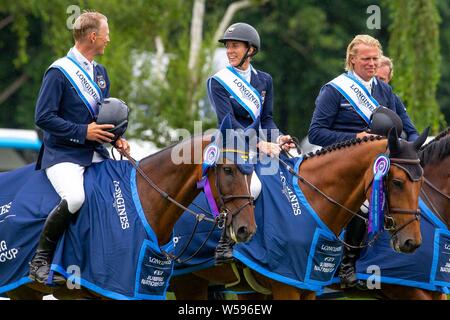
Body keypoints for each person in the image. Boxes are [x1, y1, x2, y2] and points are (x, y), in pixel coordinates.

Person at [307, 35, 419, 288]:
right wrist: (355, 138)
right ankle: (347, 264)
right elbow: (316, 133)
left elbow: (409, 129)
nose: (371, 63)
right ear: (352, 60)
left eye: (375, 59)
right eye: (366, 59)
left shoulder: (384, 90)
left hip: (379, 166)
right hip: (341, 167)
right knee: (364, 205)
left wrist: (412, 149)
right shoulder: (334, 90)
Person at [29, 11, 130, 284]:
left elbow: (102, 118)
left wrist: (115, 139)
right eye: (106, 34)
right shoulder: (58, 71)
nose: (109, 39)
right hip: (63, 155)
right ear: (93, 36)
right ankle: (41, 259)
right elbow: (43, 117)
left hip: (95, 154)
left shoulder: (100, 73)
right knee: (75, 198)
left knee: (119, 196)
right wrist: (82, 132)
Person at [207, 22, 295, 263]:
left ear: (251, 50)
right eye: (228, 47)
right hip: (232, 145)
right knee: (253, 187)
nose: (230, 51)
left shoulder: (264, 80)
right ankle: (225, 240)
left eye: (235, 46)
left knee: (285, 179)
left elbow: (266, 118)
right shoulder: (219, 82)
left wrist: (277, 138)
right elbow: (229, 121)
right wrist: (260, 144)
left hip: (258, 146)